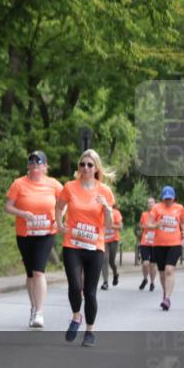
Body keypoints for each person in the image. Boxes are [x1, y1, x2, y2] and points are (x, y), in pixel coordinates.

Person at [54, 149, 115, 348]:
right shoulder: (69, 187)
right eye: (82, 164)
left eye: (90, 165)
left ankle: (90, 331)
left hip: (95, 246)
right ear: (78, 167)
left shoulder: (104, 191)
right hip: (72, 244)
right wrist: (59, 222)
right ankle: (76, 317)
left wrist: (106, 208)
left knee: (90, 292)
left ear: (96, 168)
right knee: (75, 286)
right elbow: (59, 206)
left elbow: (108, 224)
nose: (86, 168)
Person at [4, 150, 62, 329]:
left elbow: (64, 202)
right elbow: (7, 207)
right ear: (28, 166)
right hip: (25, 234)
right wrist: (22, 213)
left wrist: (59, 218)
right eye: (32, 163)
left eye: (39, 163)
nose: (35, 166)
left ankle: (39, 312)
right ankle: (33, 307)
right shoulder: (18, 184)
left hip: (46, 233)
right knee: (30, 274)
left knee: (39, 271)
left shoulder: (53, 184)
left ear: (45, 166)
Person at [147, 186, 184, 310]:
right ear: (162, 198)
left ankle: (167, 298)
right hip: (158, 245)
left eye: (170, 198)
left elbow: (183, 222)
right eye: (166, 199)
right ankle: (165, 293)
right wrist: (156, 225)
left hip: (175, 244)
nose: (168, 201)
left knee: (169, 270)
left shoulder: (179, 208)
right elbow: (148, 224)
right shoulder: (156, 208)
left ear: (174, 198)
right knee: (162, 273)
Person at [100, 204, 123, 290]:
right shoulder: (100, 213)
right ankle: (105, 282)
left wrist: (111, 226)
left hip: (113, 239)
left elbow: (120, 227)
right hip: (103, 240)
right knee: (104, 260)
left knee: (111, 262)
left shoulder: (116, 213)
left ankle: (115, 273)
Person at [137, 197, 158, 291]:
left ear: (155, 204)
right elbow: (140, 225)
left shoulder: (159, 215)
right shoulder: (144, 214)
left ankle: (152, 282)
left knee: (153, 265)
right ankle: (145, 279)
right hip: (145, 241)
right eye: (148, 203)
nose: (150, 204)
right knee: (145, 263)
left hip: (155, 242)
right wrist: (143, 226)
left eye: (152, 202)